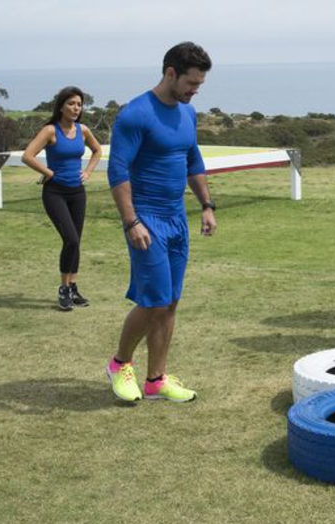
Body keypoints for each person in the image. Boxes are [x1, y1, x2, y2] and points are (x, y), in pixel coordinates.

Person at [105, 42, 218, 403]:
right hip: (146, 218)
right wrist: (131, 221)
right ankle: (120, 363)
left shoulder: (188, 113)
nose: (195, 90)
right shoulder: (135, 114)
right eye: (191, 82)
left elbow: (193, 160)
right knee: (154, 301)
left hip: (176, 218)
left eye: (200, 84)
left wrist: (206, 205)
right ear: (171, 73)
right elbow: (117, 170)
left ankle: (156, 380)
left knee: (170, 302)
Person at [20, 86, 102, 311]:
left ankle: (73, 287)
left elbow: (97, 151)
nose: (76, 108)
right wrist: (49, 173)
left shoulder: (83, 130)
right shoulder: (50, 130)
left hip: (77, 193)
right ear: (61, 106)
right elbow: (28, 156)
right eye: (71, 104)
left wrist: (88, 172)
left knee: (76, 241)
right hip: (55, 192)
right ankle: (64, 289)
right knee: (71, 240)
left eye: (79, 104)